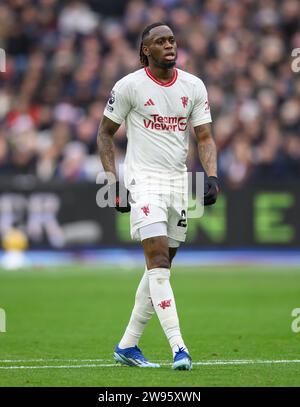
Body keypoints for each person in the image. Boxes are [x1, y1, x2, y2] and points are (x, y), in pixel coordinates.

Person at [97, 22, 220, 370]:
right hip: (144, 182)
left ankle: (127, 344)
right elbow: (105, 135)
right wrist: (112, 181)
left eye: (171, 40)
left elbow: (205, 137)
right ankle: (179, 348)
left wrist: (211, 176)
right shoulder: (129, 86)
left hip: (178, 185)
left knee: (158, 270)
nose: (169, 45)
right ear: (145, 50)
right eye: (160, 41)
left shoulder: (193, 86)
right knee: (160, 265)